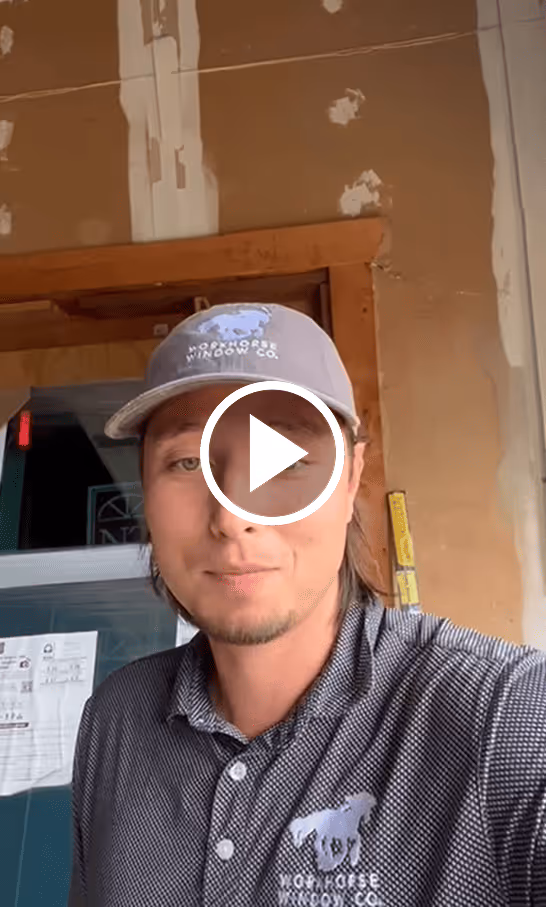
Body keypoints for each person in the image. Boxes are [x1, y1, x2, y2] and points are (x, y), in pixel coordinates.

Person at [68, 303, 546, 907]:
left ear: (350, 480)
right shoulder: (115, 723)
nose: (233, 517)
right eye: (188, 462)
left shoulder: (506, 718)